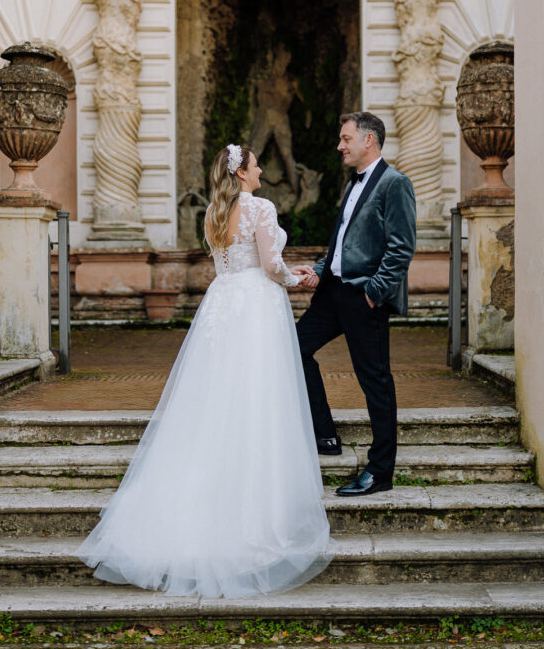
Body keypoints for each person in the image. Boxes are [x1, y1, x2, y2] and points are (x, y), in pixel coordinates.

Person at [77, 143, 330, 598]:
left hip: (223, 302)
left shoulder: (214, 212)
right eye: (255, 166)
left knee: (213, 402)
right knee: (257, 399)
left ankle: (188, 512)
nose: (260, 172)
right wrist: (299, 278)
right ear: (243, 173)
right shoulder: (261, 207)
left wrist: (281, 271)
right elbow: (271, 266)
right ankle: (254, 516)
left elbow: (235, 263)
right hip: (255, 307)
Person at [295, 112, 416, 496]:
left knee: (375, 380)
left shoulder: (395, 183)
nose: (339, 145)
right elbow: (342, 243)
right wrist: (318, 270)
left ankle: (380, 471)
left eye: (346, 138)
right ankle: (325, 434)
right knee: (293, 348)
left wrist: (373, 292)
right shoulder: (352, 185)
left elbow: (401, 247)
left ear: (369, 140)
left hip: (364, 297)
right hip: (331, 293)